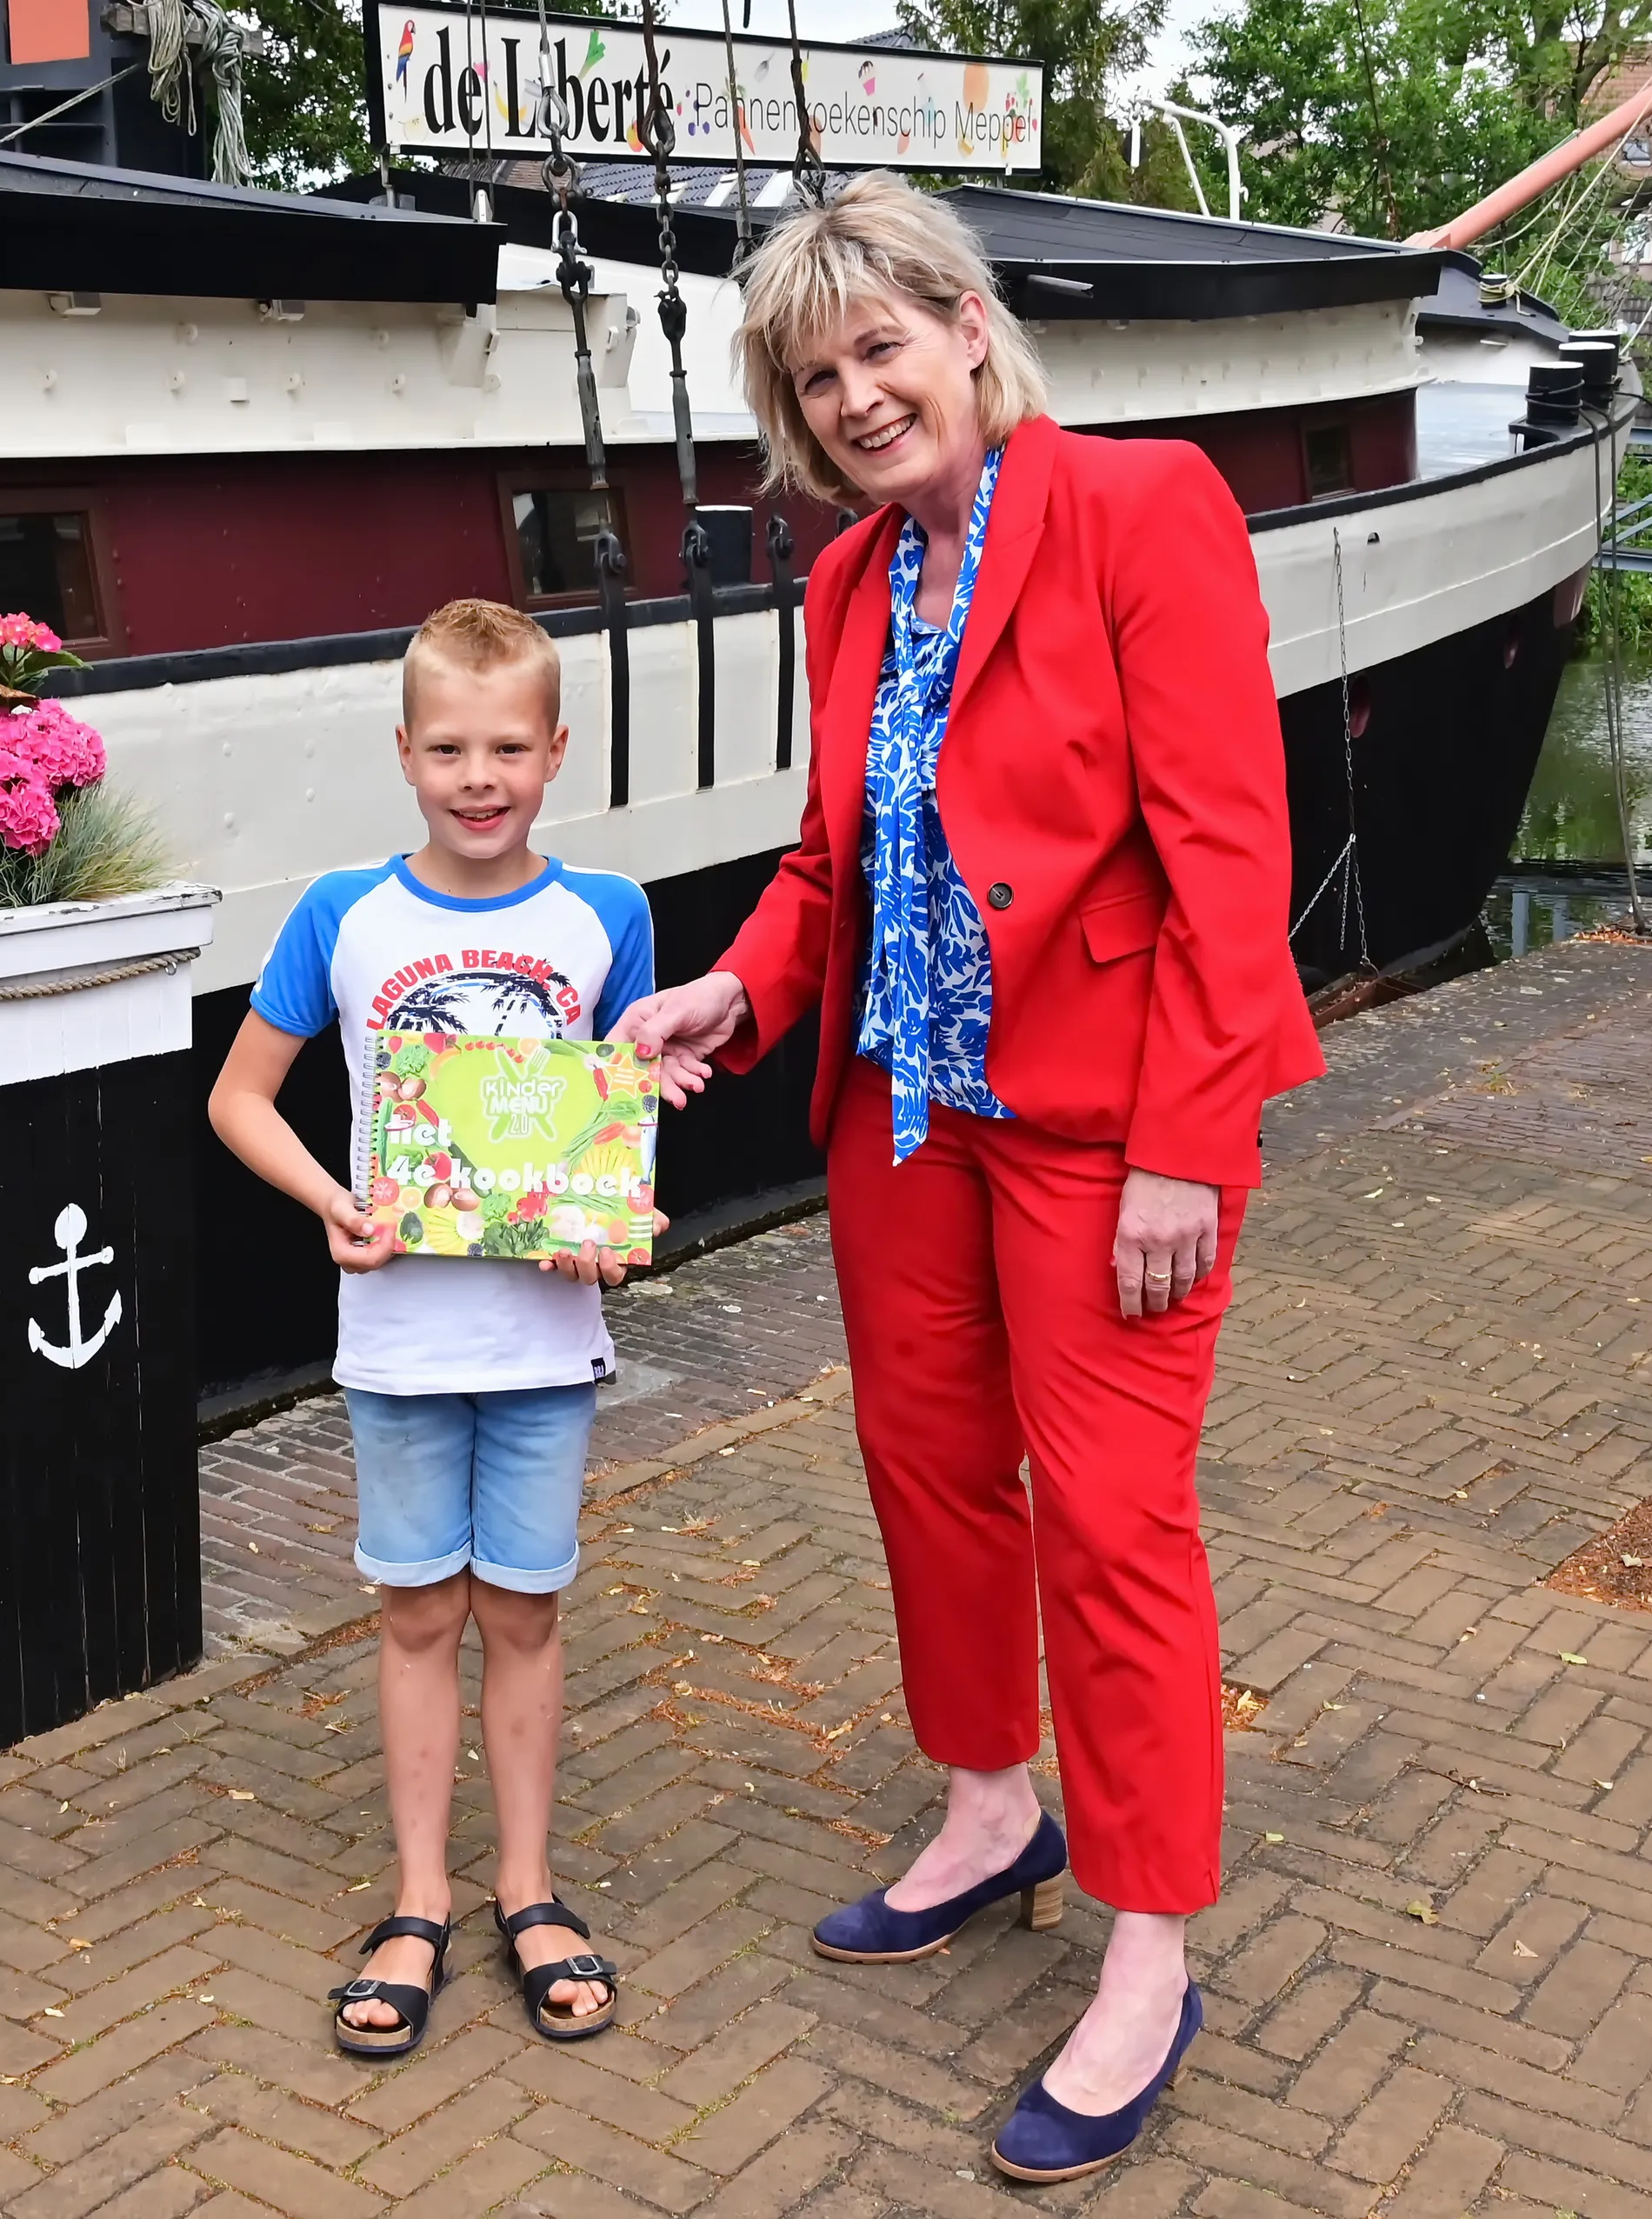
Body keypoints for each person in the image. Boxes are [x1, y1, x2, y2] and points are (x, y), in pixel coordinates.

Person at [610, 177, 1322, 2182]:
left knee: (1113, 1520)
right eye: (816, 374)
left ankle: (1149, 1948)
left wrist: (1191, 1140)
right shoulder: (846, 590)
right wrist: (728, 1000)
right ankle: (994, 1808)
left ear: (970, 328)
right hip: (904, 1112)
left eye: (880, 346)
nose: (855, 394)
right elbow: (837, 865)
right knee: (927, 1475)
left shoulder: (1139, 510)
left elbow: (1226, 858)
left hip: (1110, 1127)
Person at [210, 597, 656, 2058]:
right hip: (397, 1340)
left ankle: (526, 1887)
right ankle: (419, 1895)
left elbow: (620, 1112)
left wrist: (616, 1220)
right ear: (404, 751)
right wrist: (335, 1203)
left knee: (525, 1615)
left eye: (509, 747)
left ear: (556, 752)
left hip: (542, 1343)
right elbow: (238, 1098)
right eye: (451, 747)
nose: (481, 776)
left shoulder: (610, 916)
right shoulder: (346, 915)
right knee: (415, 1615)